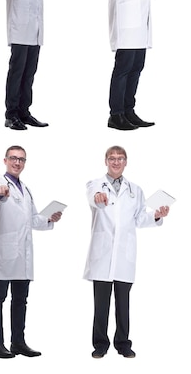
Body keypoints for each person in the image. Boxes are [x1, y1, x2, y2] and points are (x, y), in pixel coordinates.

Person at [84, 145, 169, 358]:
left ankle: (123, 343)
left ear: (126, 162)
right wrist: (98, 197)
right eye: (112, 158)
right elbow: (93, 197)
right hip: (102, 255)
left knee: (124, 304)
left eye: (120, 158)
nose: (116, 162)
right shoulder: (95, 184)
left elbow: (140, 219)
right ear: (105, 161)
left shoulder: (135, 190)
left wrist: (157, 215)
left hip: (124, 255)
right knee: (100, 305)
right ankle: (100, 344)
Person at [0, 0, 82, 130]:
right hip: (19, 23)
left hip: (35, 26)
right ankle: (11, 115)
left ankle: (24, 112)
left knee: (30, 72)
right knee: (17, 70)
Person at [0, 145, 62, 358]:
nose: (17, 162)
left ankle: (18, 342)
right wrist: (0, 194)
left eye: (21, 159)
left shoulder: (26, 189)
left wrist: (49, 218)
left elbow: (32, 220)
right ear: (5, 160)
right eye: (13, 158)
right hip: (4, 252)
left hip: (23, 254)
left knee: (21, 299)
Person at [106, 0, 164, 130]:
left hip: (139, 23)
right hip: (126, 23)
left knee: (137, 67)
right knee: (123, 68)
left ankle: (129, 110)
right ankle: (116, 115)